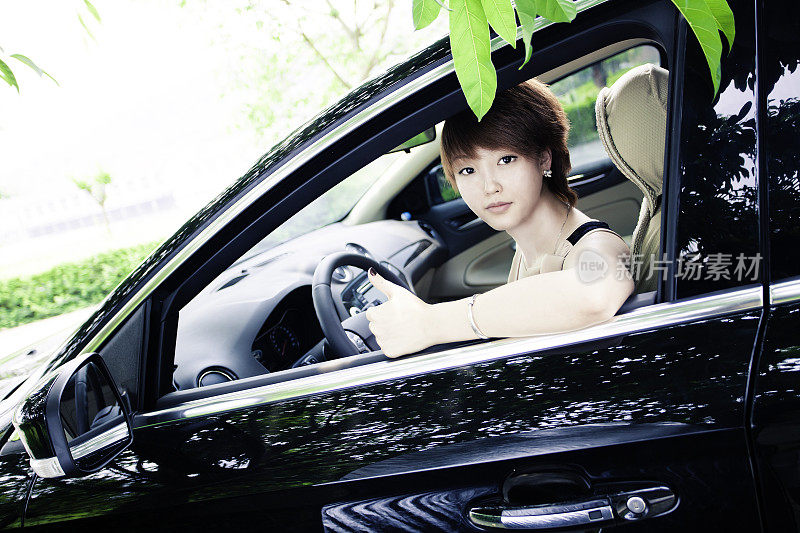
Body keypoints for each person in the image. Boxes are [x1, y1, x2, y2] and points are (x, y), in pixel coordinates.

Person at [365, 79, 634, 358]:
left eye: (506, 160)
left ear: (544, 159)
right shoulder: (529, 248)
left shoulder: (595, 242)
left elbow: (594, 294)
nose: (489, 186)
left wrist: (430, 323)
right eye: (468, 170)